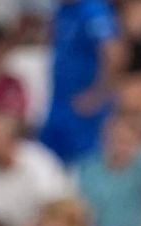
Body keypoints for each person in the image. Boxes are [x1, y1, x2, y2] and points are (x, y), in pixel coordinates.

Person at [41, 0, 124, 166]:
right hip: (60, 101)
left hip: (85, 106)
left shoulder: (93, 9)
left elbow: (115, 54)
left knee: (86, 163)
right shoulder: (62, 10)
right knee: (50, 161)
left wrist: (99, 94)